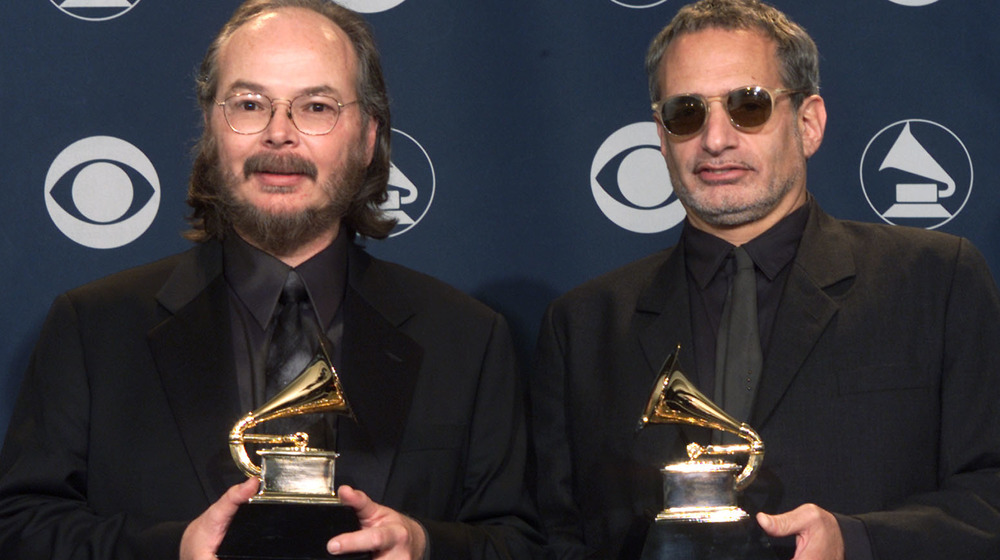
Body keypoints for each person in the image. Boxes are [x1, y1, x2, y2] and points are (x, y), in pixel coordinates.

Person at [0, 1, 543, 559]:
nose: (278, 134)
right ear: (213, 127)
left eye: (315, 107)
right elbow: (21, 528)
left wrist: (425, 544)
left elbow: (518, 543)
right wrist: (170, 551)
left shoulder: (468, 338)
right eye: (250, 104)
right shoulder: (93, 328)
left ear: (368, 138)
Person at [529, 0, 1000, 559]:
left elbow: (989, 493)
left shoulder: (935, 281)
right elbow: (556, 537)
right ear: (661, 135)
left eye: (748, 106)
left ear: (808, 123)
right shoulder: (584, 324)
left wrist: (857, 540)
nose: (715, 139)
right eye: (687, 113)